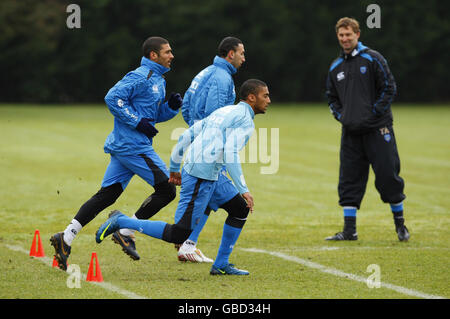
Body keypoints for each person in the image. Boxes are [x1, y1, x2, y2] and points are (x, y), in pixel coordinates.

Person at [95, 79, 271, 275]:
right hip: (201, 176)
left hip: (205, 172)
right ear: (251, 97)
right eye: (265, 96)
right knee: (179, 234)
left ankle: (221, 264)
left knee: (239, 208)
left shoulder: (224, 111)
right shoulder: (245, 122)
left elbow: (186, 136)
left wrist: (175, 168)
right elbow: (230, 152)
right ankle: (122, 222)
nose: (269, 100)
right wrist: (244, 189)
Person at [50, 36, 183, 270]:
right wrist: (137, 122)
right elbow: (113, 98)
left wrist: (170, 108)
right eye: (167, 52)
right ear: (154, 55)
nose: (171, 56)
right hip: (133, 146)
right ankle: (125, 230)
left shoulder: (158, 80)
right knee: (167, 190)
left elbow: (152, 116)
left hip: (127, 145)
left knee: (107, 195)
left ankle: (66, 237)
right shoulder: (141, 76)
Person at [325, 17, 409, 241]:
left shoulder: (373, 58)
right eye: (341, 35)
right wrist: (343, 116)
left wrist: (373, 113)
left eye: (348, 34)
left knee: (387, 176)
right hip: (351, 133)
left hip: (378, 129)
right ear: (338, 37)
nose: (345, 39)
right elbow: (331, 97)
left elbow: (389, 88)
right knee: (349, 179)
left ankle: (400, 226)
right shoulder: (336, 67)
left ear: (357, 35)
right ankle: (349, 230)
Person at [175, 36, 246, 263]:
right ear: (230, 54)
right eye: (242, 53)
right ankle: (184, 242)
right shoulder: (222, 77)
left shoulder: (206, 72)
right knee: (224, 200)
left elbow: (186, 104)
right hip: (209, 150)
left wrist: (195, 129)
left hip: (200, 142)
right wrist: (210, 139)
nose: (244, 58)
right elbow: (218, 116)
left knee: (207, 197)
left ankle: (187, 242)